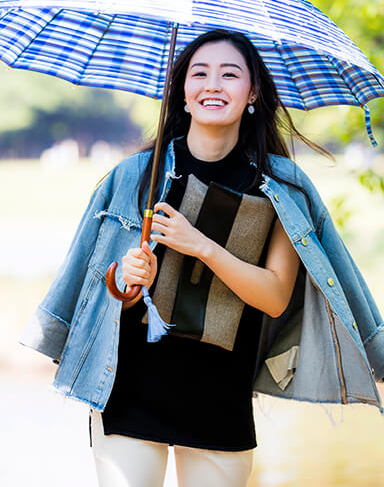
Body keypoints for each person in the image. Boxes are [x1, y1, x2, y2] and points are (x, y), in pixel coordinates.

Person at [20, 29, 384, 487]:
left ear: (252, 92)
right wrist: (125, 283)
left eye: (229, 74)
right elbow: (109, 294)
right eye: (199, 74)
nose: (213, 85)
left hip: (219, 397)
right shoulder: (138, 175)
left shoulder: (279, 187)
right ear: (184, 93)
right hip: (130, 390)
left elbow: (274, 296)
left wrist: (202, 246)